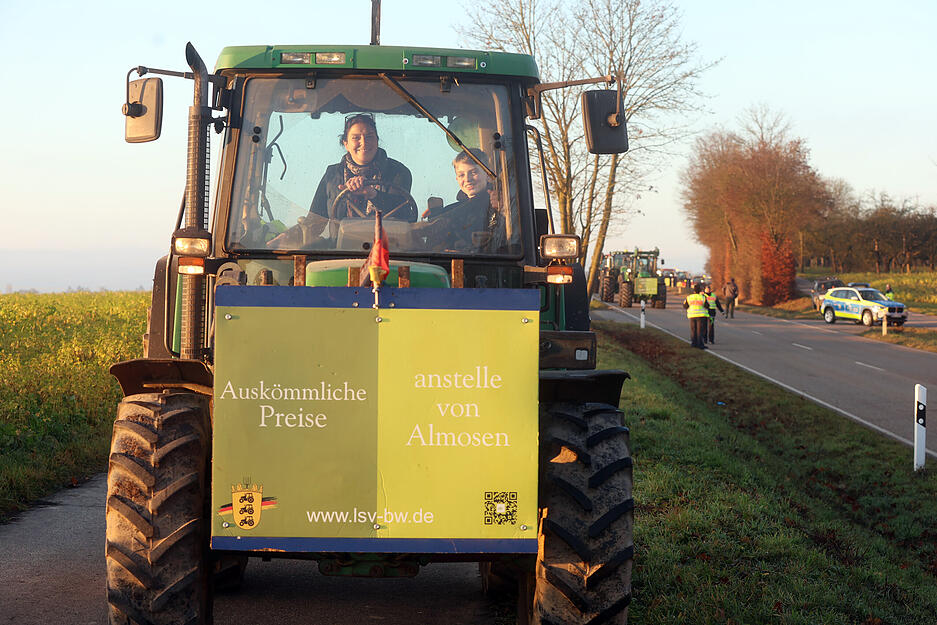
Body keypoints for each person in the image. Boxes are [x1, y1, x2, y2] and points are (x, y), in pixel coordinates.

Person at [309, 113, 415, 222]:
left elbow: (405, 215)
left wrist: (373, 195)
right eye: (356, 138)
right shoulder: (332, 174)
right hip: (341, 239)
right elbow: (314, 221)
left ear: (377, 141)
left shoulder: (398, 171)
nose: (364, 143)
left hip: (389, 239)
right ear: (346, 144)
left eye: (369, 137)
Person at [423, 149, 503, 251]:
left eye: (473, 172)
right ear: (457, 178)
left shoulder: (497, 202)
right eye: (461, 175)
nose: (468, 179)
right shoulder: (454, 210)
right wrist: (435, 215)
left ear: (487, 174)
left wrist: (501, 209)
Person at [683, 283, 709, 349]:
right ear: (700, 290)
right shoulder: (703, 297)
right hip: (701, 315)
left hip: (692, 315)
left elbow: (685, 306)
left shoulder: (689, 297)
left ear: (694, 290)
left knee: (693, 330)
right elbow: (707, 306)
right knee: (700, 331)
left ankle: (693, 343)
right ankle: (700, 344)